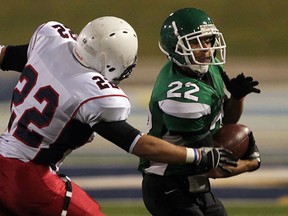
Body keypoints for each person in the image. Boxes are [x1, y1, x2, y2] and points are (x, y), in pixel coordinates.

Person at [0, 16, 238, 216]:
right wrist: (197, 156)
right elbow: (139, 145)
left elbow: (5, 56)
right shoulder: (95, 94)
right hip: (31, 179)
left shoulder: (51, 41)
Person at [138, 8, 261, 216]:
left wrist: (236, 98)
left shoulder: (206, 67)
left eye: (208, 40)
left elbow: (226, 120)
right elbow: (212, 166)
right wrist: (251, 163)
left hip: (194, 181)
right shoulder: (181, 97)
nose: (206, 49)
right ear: (176, 48)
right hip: (168, 185)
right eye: (195, 43)